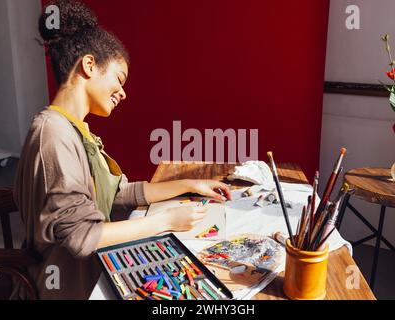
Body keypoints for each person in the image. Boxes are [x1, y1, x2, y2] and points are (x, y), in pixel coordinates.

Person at [12, 0, 231, 299]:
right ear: (89, 65)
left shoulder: (77, 130)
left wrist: (189, 184)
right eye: (119, 78)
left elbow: (118, 194)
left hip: (99, 270)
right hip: (73, 288)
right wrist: (165, 221)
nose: (124, 92)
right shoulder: (53, 134)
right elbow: (80, 237)